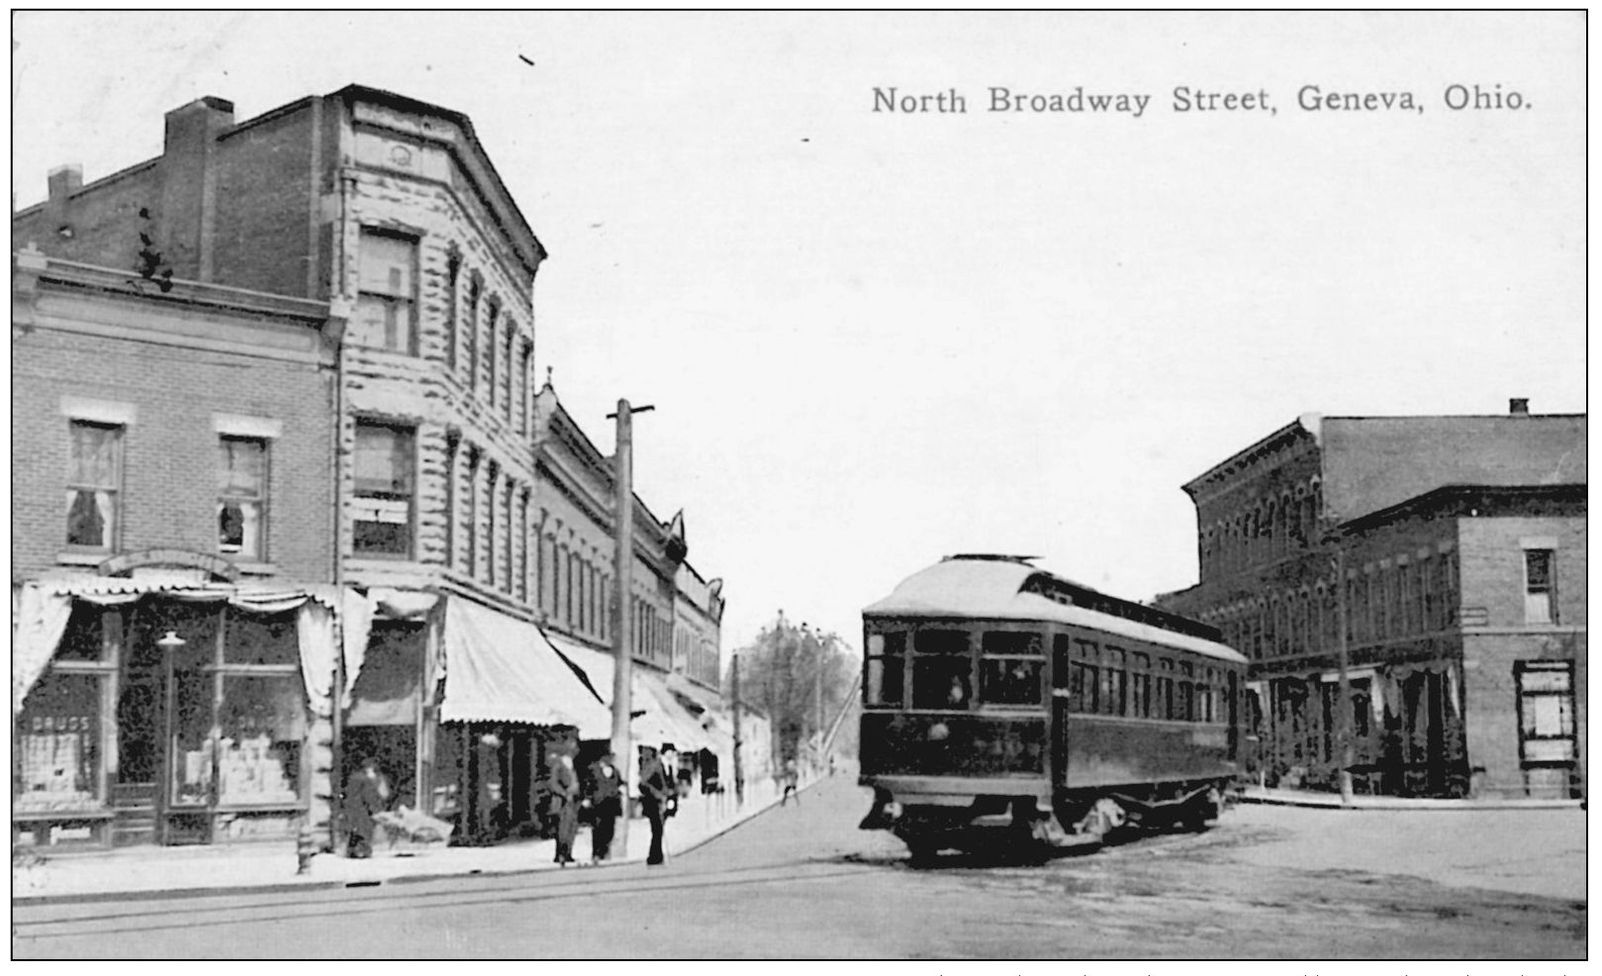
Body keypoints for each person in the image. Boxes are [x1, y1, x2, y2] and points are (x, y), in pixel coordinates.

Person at [343, 757, 387, 859]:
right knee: (364, 831)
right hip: (362, 808)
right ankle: (363, 851)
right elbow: (368, 796)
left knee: (354, 830)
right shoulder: (365, 780)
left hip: (351, 807)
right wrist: (375, 810)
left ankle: (351, 851)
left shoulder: (353, 777)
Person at [587, 750, 624, 864]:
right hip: (599, 803)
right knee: (598, 829)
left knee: (609, 829)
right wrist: (588, 798)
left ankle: (604, 851)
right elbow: (588, 785)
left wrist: (622, 789)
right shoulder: (593, 770)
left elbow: (620, 783)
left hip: (611, 803)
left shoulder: (615, 771)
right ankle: (596, 853)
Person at [638, 745, 673, 866]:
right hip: (653, 801)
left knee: (658, 829)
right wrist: (658, 793)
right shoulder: (653, 765)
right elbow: (644, 783)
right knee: (657, 828)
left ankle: (656, 854)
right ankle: (655, 855)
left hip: (658, 800)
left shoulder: (654, 764)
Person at [547, 749, 580, 866]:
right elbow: (553, 784)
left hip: (572, 802)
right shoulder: (558, 766)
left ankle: (568, 853)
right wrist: (564, 794)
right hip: (562, 802)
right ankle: (560, 854)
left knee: (571, 828)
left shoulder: (571, 767)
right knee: (562, 830)